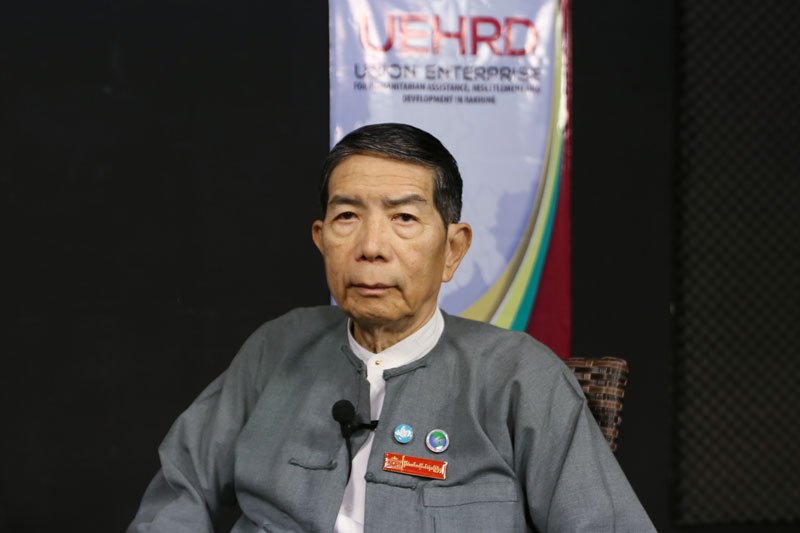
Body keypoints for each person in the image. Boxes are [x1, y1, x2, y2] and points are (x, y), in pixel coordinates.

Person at [128, 123, 655, 532]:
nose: (371, 247)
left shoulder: (520, 376)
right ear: (321, 239)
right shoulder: (277, 347)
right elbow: (181, 486)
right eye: (347, 217)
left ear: (453, 249)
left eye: (404, 218)